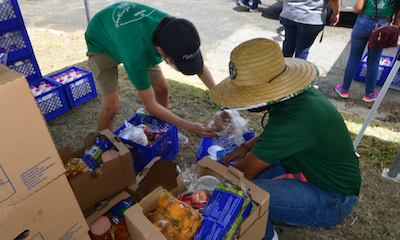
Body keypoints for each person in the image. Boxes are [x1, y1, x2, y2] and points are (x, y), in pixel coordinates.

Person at [208, 38, 361, 240]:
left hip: (334, 197)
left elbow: (242, 173)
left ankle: (268, 237)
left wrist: (212, 182)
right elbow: (276, 134)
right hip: (310, 168)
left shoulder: (293, 120)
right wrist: (246, 146)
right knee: (248, 183)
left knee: (240, 192)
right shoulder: (297, 98)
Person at [85, 2, 216, 139]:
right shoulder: (136, 55)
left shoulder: (177, 31)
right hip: (101, 41)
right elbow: (150, 104)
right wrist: (188, 126)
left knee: (162, 87)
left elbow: (199, 67)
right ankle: (104, 145)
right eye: (178, 61)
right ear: (161, 51)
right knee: (111, 107)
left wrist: (219, 95)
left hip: (128, 35)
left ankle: (160, 127)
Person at [335, 0, 400, 102]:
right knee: (373, 62)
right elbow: (398, 15)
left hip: (362, 22)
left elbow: (357, 9)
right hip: (382, 26)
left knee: (354, 58)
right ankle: (369, 94)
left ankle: (344, 90)